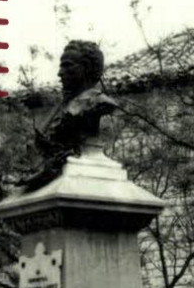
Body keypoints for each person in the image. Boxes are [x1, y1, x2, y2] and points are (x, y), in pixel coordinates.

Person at [18, 40, 121, 192]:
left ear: (87, 68)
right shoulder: (59, 108)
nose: (60, 73)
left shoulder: (97, 102)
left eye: (67, 65)